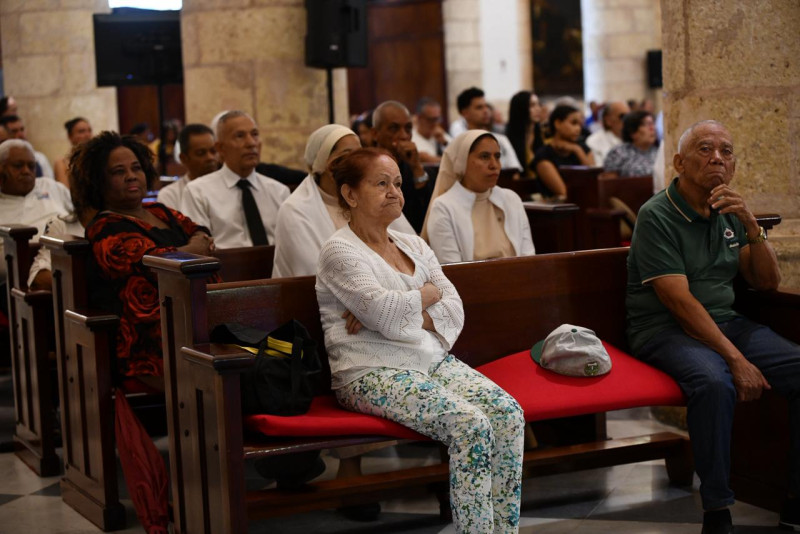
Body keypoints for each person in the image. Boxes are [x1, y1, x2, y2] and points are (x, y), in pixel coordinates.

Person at [316, 147, 525, 534]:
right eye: (381, 184)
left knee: (508, 413)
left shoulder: (412, 244)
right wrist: (424, 297)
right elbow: (385, 315)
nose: (395, 191)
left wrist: (398, 312)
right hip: (370, 371)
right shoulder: (340, 250)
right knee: (470, 425)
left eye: (397, 182)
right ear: (350, 194)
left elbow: (454, 310)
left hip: (428, 360)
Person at [626, 120, 800, 534]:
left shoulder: (729, 212)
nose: (717, 158)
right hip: (663, 329)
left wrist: (752, 224)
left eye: (726, 151)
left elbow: (766, 282)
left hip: (725, 322)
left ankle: (793, 498)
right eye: (705, 149)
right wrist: (735, 358)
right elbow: (679, 303)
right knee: (714, 381)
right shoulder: (657, 215)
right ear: (679, 162)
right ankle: (718, 510)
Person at [71, 131, 215, 381]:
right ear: (99, 181)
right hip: (154, 342)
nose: (131, 176)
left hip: (199, 319)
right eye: (118, 172)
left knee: (279, 348)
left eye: (136, 167)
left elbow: (200, 231)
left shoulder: (159, 210)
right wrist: (196, 249)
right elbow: (155, 263)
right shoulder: (104, 229)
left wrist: (194, 246)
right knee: (248, 361)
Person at [272, 124, 415, 278]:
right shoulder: (295, 210)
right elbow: (314, 273)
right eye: (347, 156)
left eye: (359, 156)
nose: (357, 165)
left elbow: (412, 253)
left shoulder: (372, 198)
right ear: (325, 163)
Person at [180, 111, 290, 249]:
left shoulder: (279, 191)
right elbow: (200, 250)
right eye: (240, 136)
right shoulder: (198, 192)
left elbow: (290, 245)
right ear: (220, 148)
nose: (251, 143)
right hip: (224, 268)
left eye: (254, 134)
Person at [422, 130, 535, 264]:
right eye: (485, 156)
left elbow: (529, 258)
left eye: (497, 156)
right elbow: (452, 271)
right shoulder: (443, 207)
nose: (494, 165)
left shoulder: (511, 199)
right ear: (462, 161)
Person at [0, 139, 72, 292]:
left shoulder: (51, 187)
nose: (26, 171)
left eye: (31, 166)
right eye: (18, 166)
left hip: (62, 269)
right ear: (1, 169)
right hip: (9, 287)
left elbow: (79, 218)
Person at [371, 101, 431, 233]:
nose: (404, 135)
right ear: (375, 134)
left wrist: (416, 167)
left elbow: (427, 217)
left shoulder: (411, 166)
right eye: (394, 128)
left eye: (408, 128)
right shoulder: (367, 168)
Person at [532, 104, 595, 200]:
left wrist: (578, 151)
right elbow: (563, 192)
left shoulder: (583, 148)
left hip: (587, 201)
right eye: (574, 123)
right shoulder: (544, 155)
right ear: (557, 123)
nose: (578, 128)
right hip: (558, 209)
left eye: (580, 124)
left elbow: (594, 181)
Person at [455, 87, 522, 173]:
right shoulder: (459, 143)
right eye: (479, 107)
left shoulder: (501, 140)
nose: (486, 111)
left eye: (486, 106)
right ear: (465, 113)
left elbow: (515, 172)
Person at [157, 124, 220, 210]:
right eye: (201, 153)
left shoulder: (228, 188)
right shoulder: (170, 195)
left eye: (213, 151)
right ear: (183, 158)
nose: (210, 158)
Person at [603, 111, 659, 177]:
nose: (652, 128)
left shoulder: (659, 152)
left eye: (652, 123)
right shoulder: (618, 153)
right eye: (646, 124)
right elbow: (609, 184)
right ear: (633, 133)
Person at [505, 91, 546, 177]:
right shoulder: (508, 140)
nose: (538, 109)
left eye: (538, 104)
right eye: (532, 105)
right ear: (521, 108)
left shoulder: (542, 135)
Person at [585, 101, 630, 166]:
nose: (627, 120)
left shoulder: (633, 139)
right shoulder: (594, 141)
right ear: (608, 121)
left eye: (629, 116)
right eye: (622, 116)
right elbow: (598, 170)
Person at [53, 117, 93, 186]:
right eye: (81, 131)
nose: (87, 135)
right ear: (70, 136)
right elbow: (65, 193)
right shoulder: (61, 163)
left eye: (89, 131)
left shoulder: (97, 159)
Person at [411, 97, 451, 164]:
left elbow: (458, 159)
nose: (435, 123)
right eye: (431, 120)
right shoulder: (411, 138)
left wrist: (444, 143)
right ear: (419, 118)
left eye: (438, 119)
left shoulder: (442, 136)